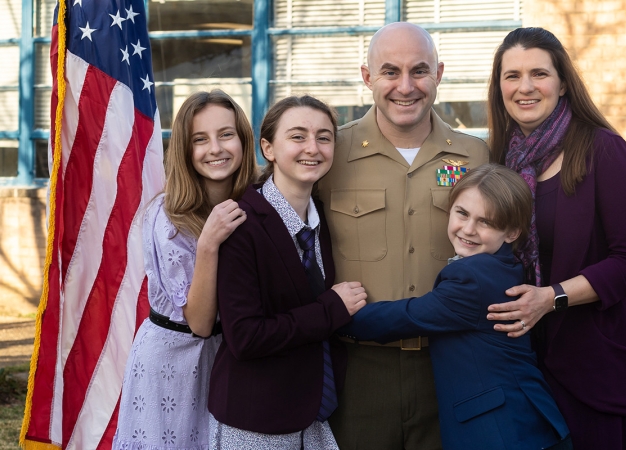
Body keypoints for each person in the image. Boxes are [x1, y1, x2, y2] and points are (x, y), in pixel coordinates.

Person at [315, 21, 490, 450]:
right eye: (390, 71)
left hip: (449, 362)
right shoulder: (329, 154)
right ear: (367, 77)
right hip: (358, 367)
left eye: (420, 70)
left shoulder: (475, 155)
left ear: (440, 74)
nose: (406, 86)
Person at [482, 27, 626, 449]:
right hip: (524, 365)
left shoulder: (604, 151)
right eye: (512, 76)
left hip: (595, 367)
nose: (525, 87)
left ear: (562, 83)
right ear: (499, 86)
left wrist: (551, 297)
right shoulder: (501, 159)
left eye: (538, 73)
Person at [339, 164, 572, 450]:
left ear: (512, 233)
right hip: (525, 425)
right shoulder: (502, 266)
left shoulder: (473, 277)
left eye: (486, 222)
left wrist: (334, 314)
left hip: (505, 432)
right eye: (462, 213)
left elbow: (408, 317)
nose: (468, 229)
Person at [207, 95, 368, 449]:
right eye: (297, 136)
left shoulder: (323, 217)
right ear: (268, 147)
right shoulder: (242, 224)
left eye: (324, 137)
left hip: (312, 415)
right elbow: (246, 337)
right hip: (257, 420)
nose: (312, 147)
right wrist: (331, 309)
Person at [113, 89, 256, 450]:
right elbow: (200, 323)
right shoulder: (168, 217)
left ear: (243, 138)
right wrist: (208, 243)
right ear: (184, 149)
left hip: (230, 358)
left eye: (226, 134)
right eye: (200, 139)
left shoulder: (256, 202)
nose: (216, 149)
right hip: (172, 363)